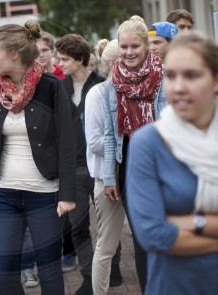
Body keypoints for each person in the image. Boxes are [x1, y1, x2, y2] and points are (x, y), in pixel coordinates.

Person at [127, 31, 218, 294]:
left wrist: (196, 223)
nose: (179, 86)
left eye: (192, 75)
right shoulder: (148, 142)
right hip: (177, 285)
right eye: (171, 76)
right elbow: (153, 235)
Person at [0, 20, 76, 295]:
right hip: (4, 195)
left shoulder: (50, 87)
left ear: (14, 54)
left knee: (49, 272)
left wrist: (67, 193)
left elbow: (66, 143)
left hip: (45, 195)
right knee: (5, 277)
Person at [103, 15, 167, 293]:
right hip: (129, 165)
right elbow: (109, 134)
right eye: (124, 47)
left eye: (135, 47)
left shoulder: (166, 77)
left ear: (147, 46)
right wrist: (109, 177)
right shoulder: (111, 84)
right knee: (142, 238)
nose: (129, 53)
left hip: (165, 164)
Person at [54, 33, 110, 294]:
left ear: (80, 59)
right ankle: (88, 277)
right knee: (78, 228)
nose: (59, 63)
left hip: (101, 167)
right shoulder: (58, 87)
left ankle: (111, 272)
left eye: (64, 59)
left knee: (108, 226)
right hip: (72, 168)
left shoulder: (102, 85)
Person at [84, 38, 124, 295]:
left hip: (134, 175)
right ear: (113, 63)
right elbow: (96, 141)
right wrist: (130, 141)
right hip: (107, 179)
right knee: (106, 247)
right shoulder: (97, 93)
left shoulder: (135, 90)